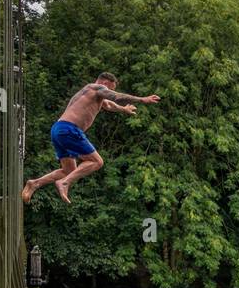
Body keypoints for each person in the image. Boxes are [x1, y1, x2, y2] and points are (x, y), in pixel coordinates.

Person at [22, 72, 160, 204]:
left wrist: (123, 110)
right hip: (70, 129)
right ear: (105, 82)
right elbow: (116, 97)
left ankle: (34, 183)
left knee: (69, 170)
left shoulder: (88, 93)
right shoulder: (97, 88)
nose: (109, 91)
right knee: (97, 162)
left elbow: (109, 104)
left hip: (58, 129)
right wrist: (142, 99)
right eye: (110, 88)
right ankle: (65, 183)